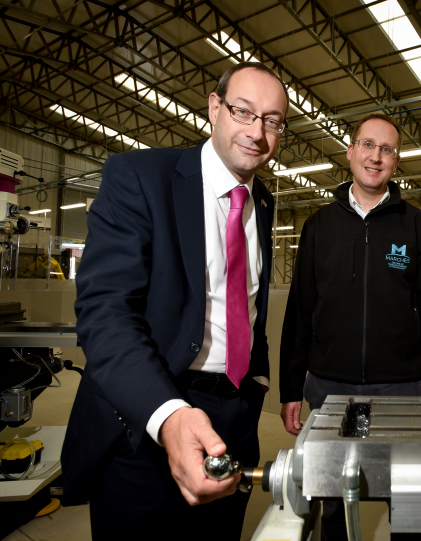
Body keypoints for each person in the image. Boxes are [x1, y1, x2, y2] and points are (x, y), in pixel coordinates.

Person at [60, 62, 287, 541]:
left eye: (272, 120)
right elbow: (106, 313)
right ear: (214, 107)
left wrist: (257, 380)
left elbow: (248, 302)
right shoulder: (140, 177)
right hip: (149, 415)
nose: (256, 132)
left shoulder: (261, 202)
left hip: (237, 415)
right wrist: (167, 415)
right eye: (243, 112)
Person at [279, 113, 421, 541]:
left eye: (387, 149)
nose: (376, 157)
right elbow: (301, 311)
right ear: (350, 151)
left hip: (402, 391)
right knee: (334, 504)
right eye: (368, 145)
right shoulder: (319, 225)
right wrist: (289, 389)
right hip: (329, 388)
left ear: (397, 161)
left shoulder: (417, 226)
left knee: (411, 502)